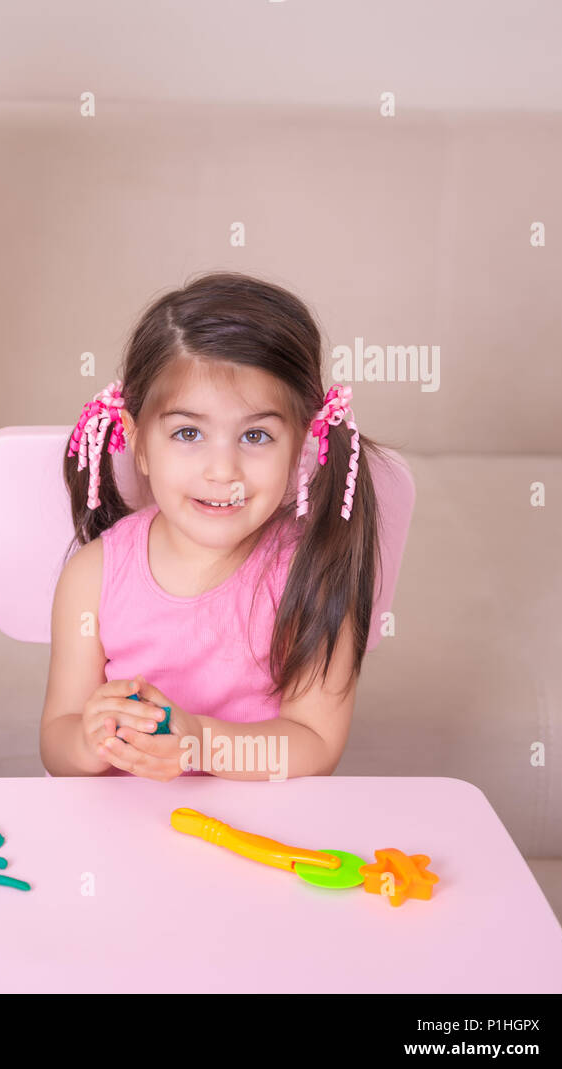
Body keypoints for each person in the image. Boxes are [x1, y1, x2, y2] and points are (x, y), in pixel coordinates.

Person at [40, 272, 396, 781]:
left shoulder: (311, 571)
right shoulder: (92, 577)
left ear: (300, 445)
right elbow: (57, 737)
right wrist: (87, 739)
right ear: (139, 441)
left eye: (255, 435)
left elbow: (316, 743)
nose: (222, 470)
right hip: (122, 839)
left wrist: (200, 743)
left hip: (257, 836)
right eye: (188, 432)